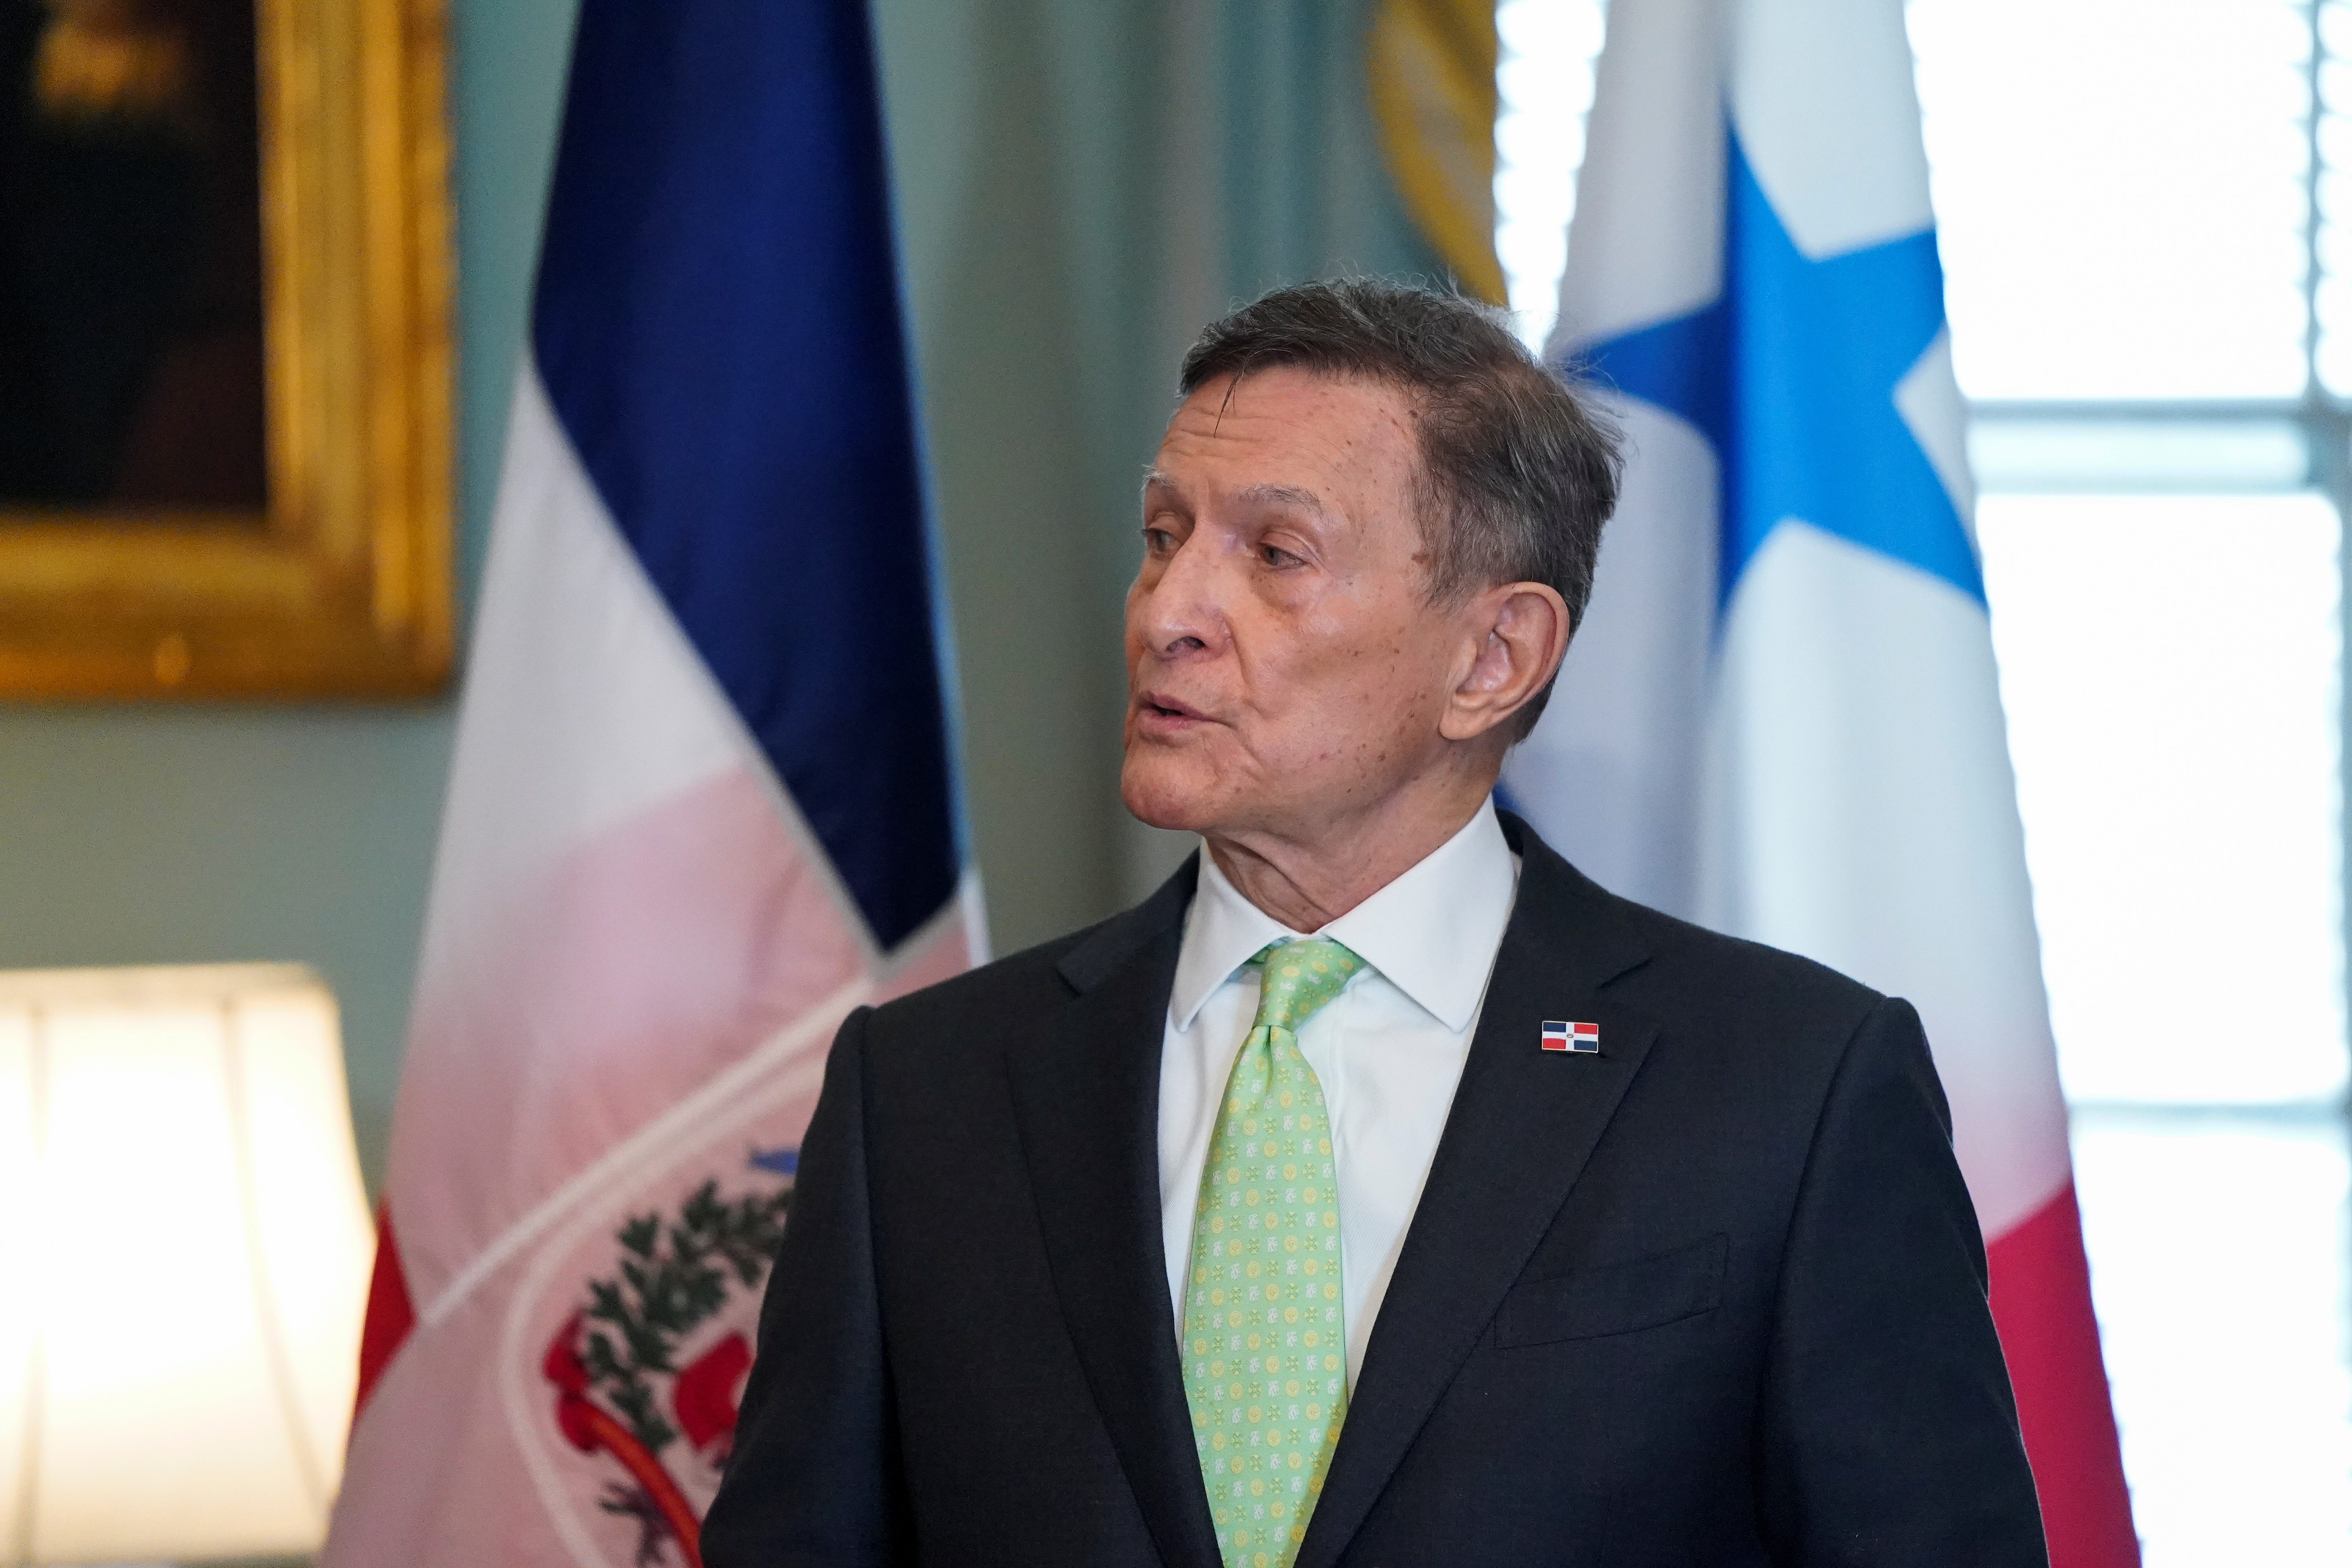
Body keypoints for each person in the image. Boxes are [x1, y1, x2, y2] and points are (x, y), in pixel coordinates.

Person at [702, 279, 2047, 1568]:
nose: (1169, 613)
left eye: (1275, 555)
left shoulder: (1789, 1089)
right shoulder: (923, 1092)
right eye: (1165, 537)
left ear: (1492, 658)